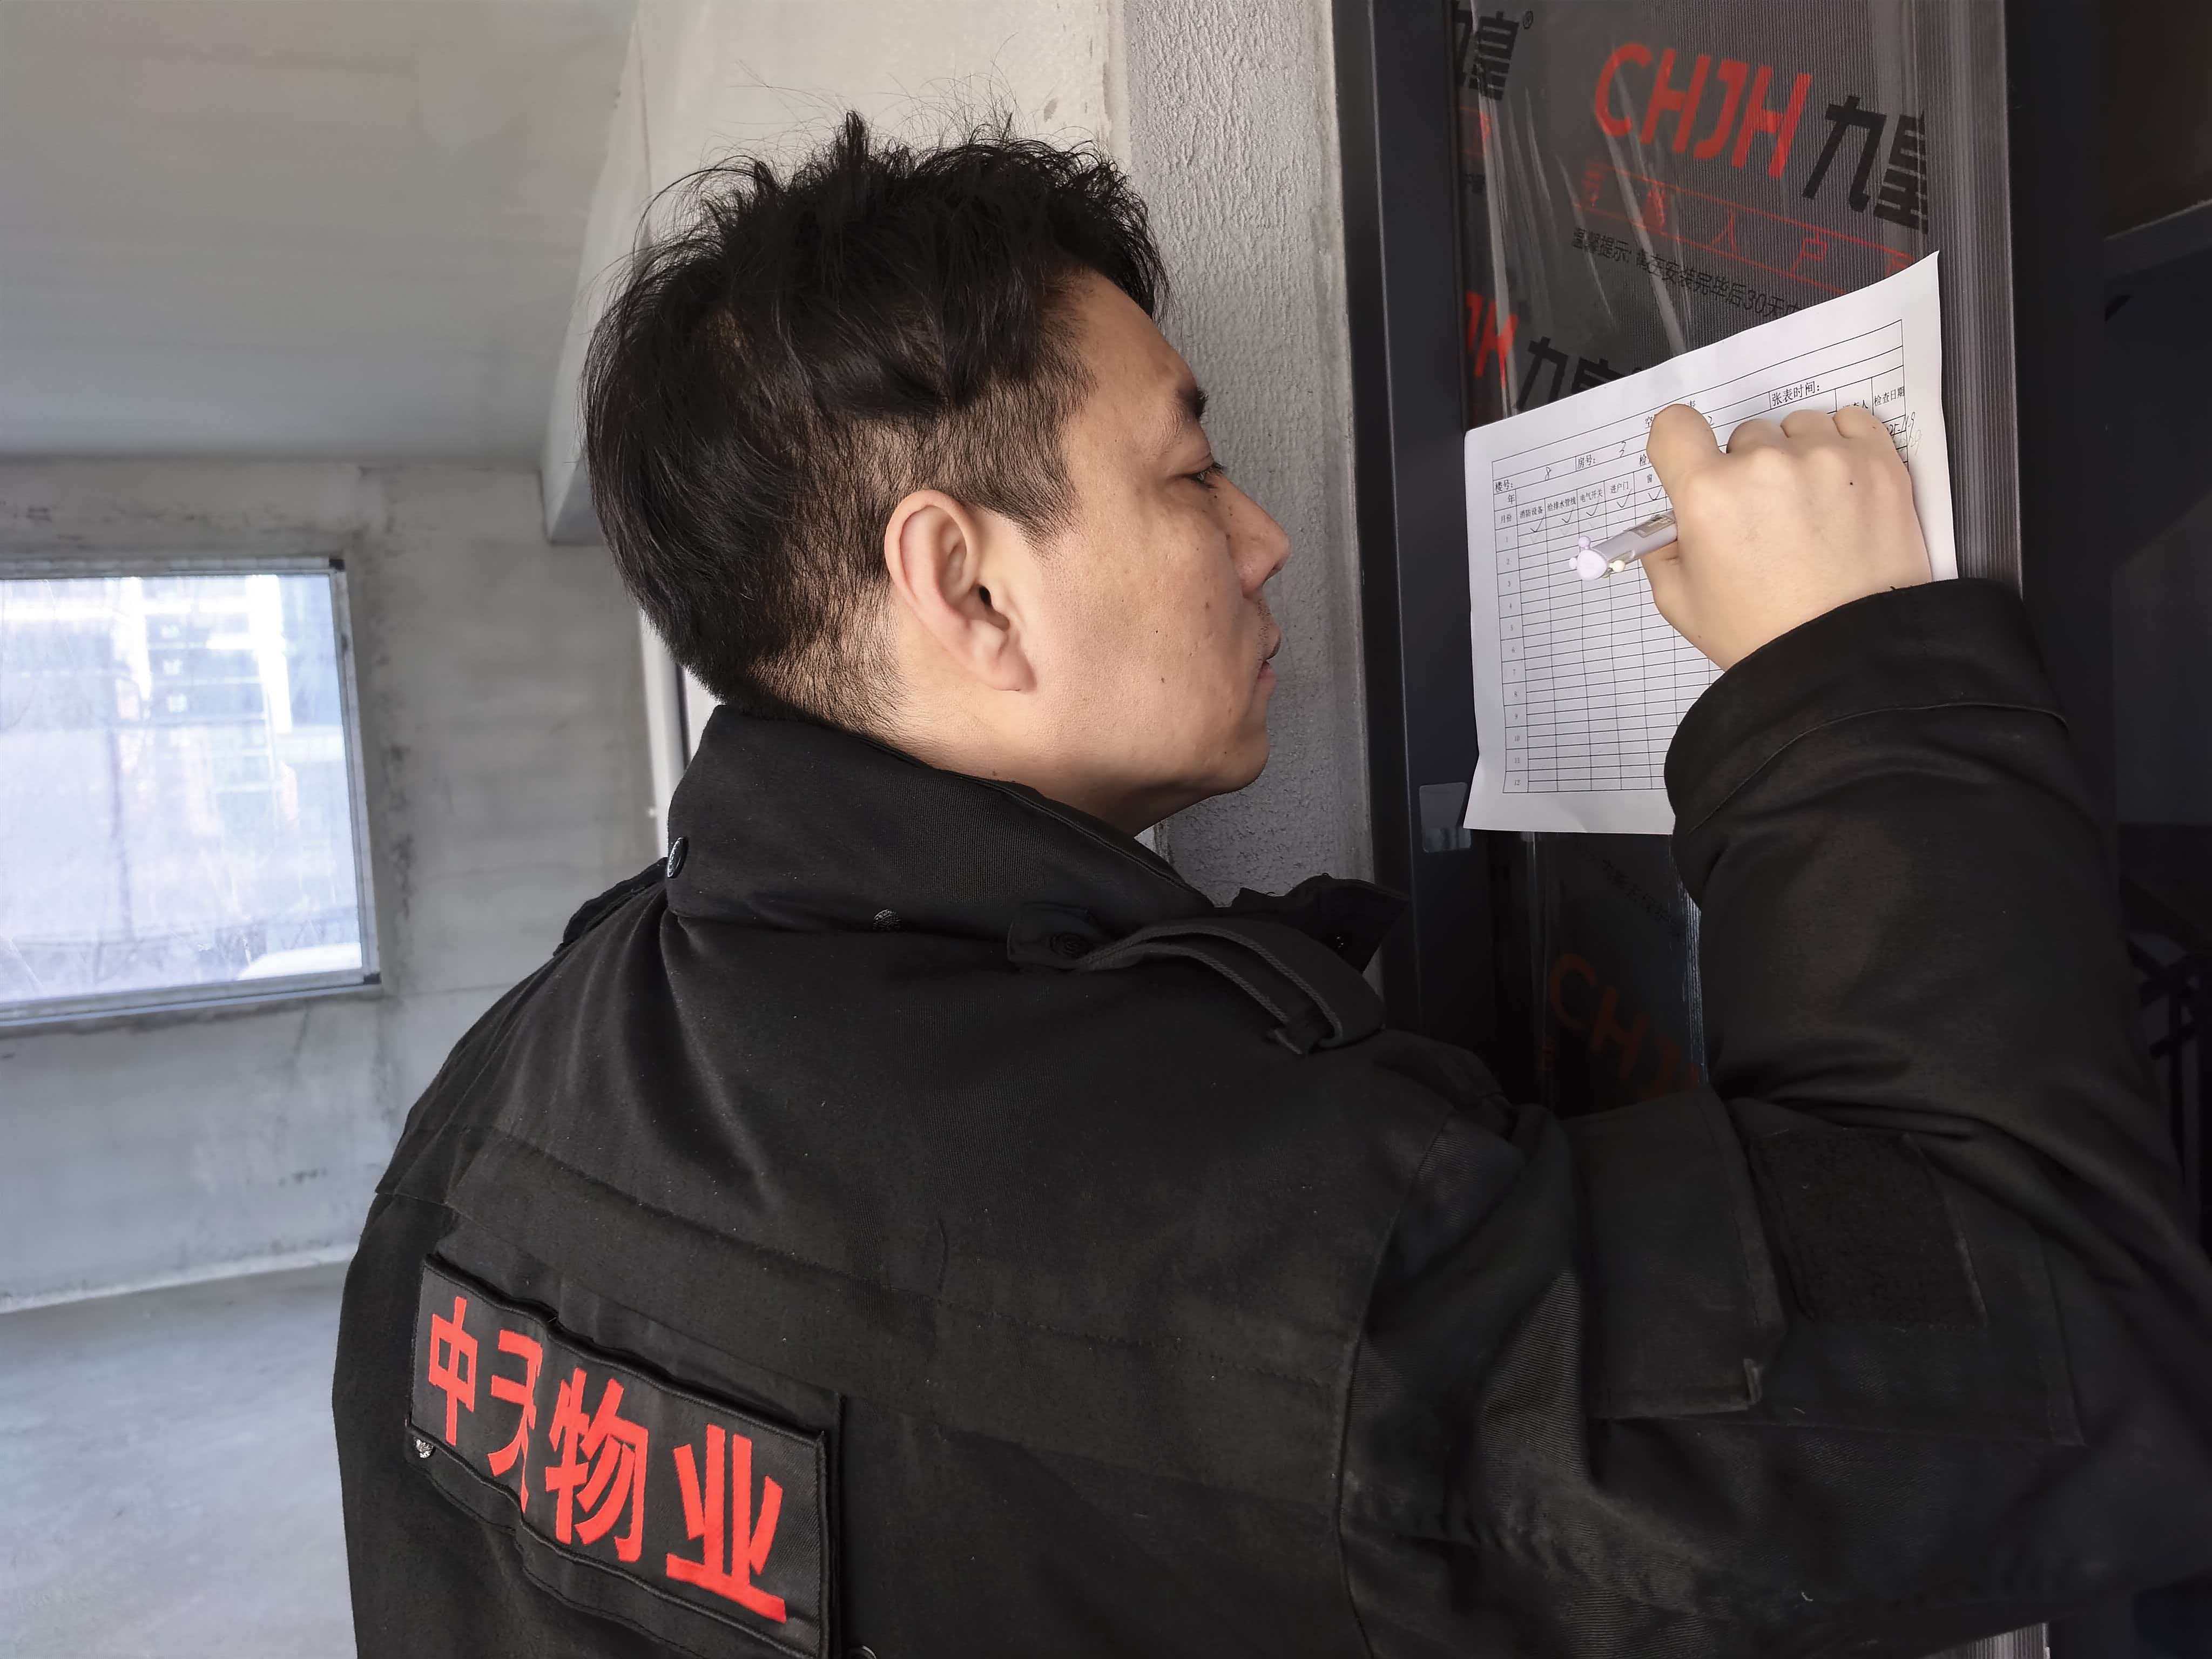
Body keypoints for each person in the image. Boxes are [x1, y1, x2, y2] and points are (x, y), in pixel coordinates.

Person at [333, 116, 2212, 1658]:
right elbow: (2055, 1343)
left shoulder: (501, 1095)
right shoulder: (1230, 1251)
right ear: (967, 585)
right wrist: (1844, 676)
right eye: (1192, 473)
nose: (1266, 536)